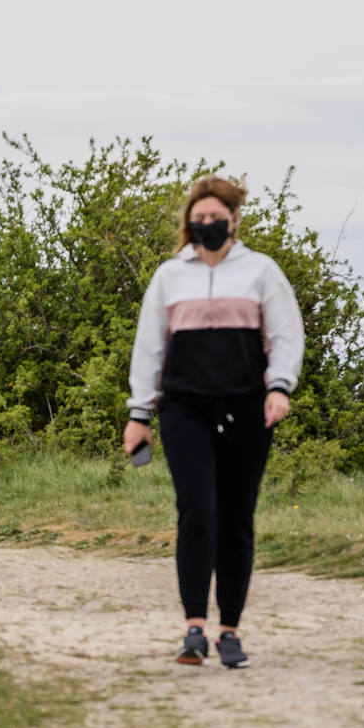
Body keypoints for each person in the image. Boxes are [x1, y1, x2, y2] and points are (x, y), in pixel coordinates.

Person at [124, 175, 304, 669]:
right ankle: (193, 629)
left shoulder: (261, 272)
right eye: (197, 219)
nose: (207, 226)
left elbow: (286, 335)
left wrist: (279, 387)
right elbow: (149, 348)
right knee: (197, 509)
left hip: (248, 405)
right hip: (185, 409)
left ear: (234, 219)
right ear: (188, 224)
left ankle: (230, 631)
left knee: (236, 517)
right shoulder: (169, 276)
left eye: (215, 218)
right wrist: (140, 415)